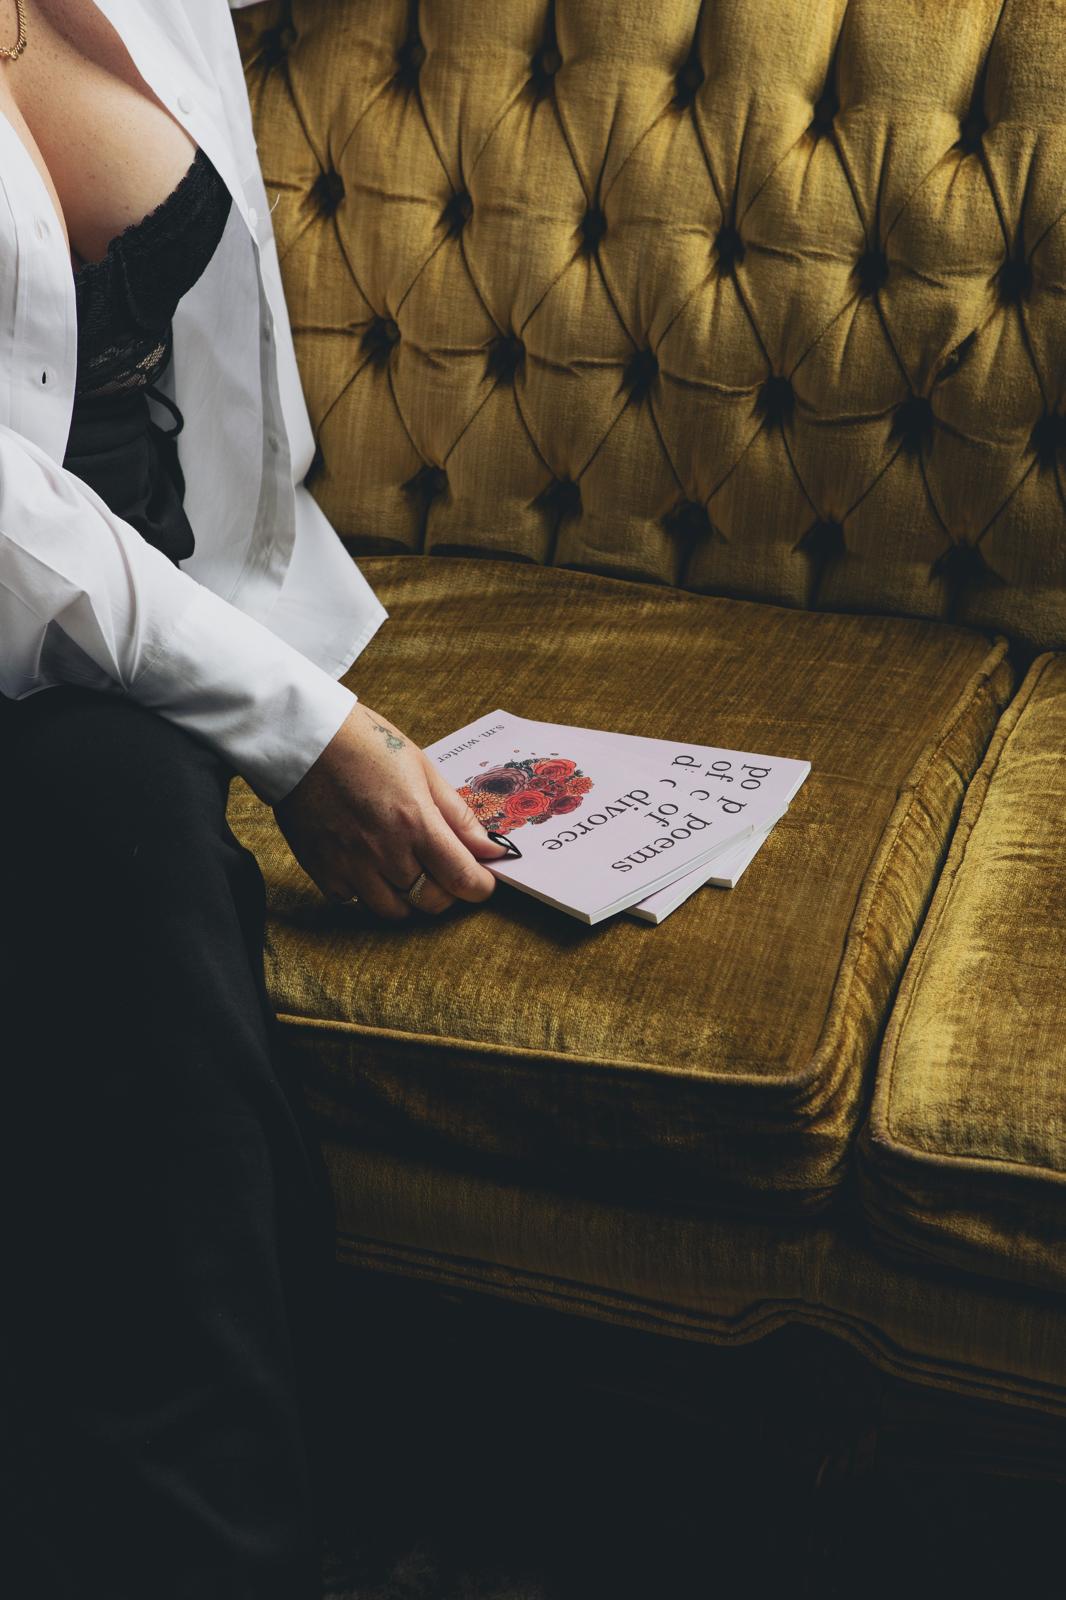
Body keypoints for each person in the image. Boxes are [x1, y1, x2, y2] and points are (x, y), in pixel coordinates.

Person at [0, 2, 508, 1595]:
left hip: (176, 610)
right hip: (48, 652)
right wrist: (297, 730)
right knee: (134, 871)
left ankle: (342, 1506)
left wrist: (277, 685)